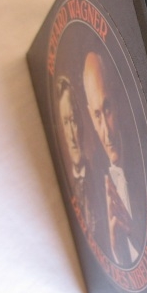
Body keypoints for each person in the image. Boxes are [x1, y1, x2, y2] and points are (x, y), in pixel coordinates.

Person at [82, 51, 141, 267]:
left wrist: (134, 235)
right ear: (90, 116)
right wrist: (118, 255)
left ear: (118, 101)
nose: (106, 133)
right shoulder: (94, 185)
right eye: (97, 115)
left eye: (107, 109)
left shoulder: (144, 163)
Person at [56, 75, 95, 235]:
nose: (71, 135)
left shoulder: (98, 178)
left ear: (80, 123)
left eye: (73, 121)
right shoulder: (65, 185)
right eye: (65, 122)